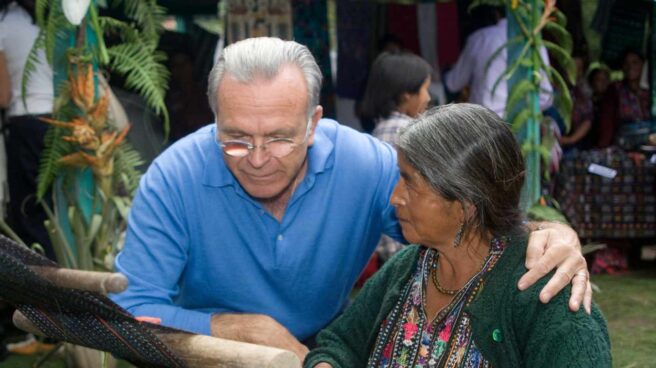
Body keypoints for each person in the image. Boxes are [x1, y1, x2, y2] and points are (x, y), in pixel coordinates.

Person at [112, 37, 590, 362]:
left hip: (320, 347)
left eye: (279, 138)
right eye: (235, 138)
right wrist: (238, 330)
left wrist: (554, 233)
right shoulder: (175, 177)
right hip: (209, 354)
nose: (256, 159)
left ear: (315, 122)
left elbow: (457, 220)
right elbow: (131, 309)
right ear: (214, 119)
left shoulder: (365, 164)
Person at [305, 104, 611, 368]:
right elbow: (340, 343)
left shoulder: (547, 298)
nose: (394, 197)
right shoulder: (410, 268)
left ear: (465, 205)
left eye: (409, 183)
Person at [359, 51, 431, 263]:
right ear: (406, 94)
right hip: (403, 247)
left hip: (388, 246)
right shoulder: (408, 132)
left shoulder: (379, 130)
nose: (428, 97)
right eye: (424, 89)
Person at [0, 0, 54, 259]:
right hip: (60, 122)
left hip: (26, 124)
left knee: (29, 214)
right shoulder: (52, 21)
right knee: (54, 212)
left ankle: (41, 290)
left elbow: (3, 95)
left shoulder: (4, 24)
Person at [444, 6, 553, 118]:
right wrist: (520, 114)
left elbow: (453, 83)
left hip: (482, 123)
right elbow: (546, 97)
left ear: (496, 13)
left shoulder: (480, 38)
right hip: (519, 128)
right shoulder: (533, 43)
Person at [598, 49, 649, 148]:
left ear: (643, 65)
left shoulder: (651, 91)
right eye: (626, 63)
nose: (630, 67)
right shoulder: (615, 90)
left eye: (635, 62)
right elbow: (606, 123)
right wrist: (603, 147)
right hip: (623, 147)